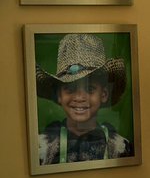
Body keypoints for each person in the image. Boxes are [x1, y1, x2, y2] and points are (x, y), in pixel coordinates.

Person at [35, 32, 132, 164]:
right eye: (70, 88)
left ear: (103, 95)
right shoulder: (41, 148)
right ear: (59, 95)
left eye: (89, 89)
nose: (79, 97)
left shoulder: (120, 148)